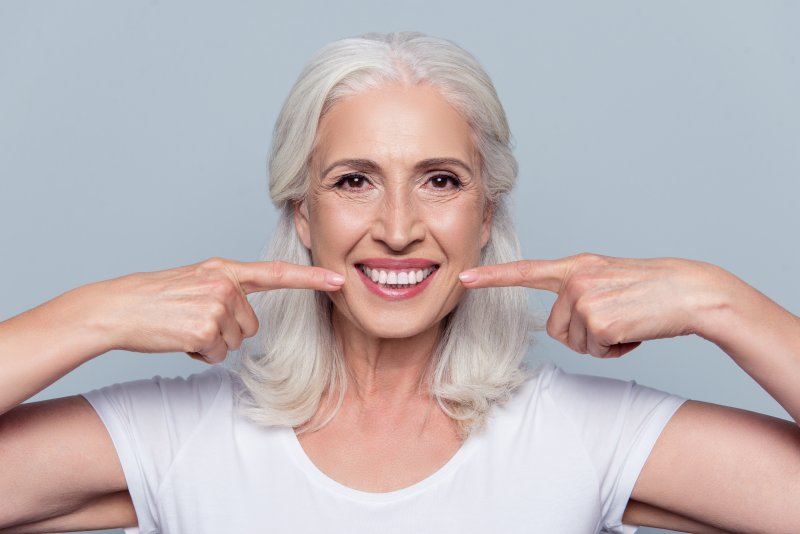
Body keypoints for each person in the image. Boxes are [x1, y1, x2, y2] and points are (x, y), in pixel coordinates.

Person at [1, 31, 798, 534]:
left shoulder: (581, 436)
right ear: (301, 212)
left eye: (441, 181)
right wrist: (96, 314)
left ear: (486, 214)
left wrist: (714, 301)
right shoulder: (178, 439)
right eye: (353, 181)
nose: (397, 226)